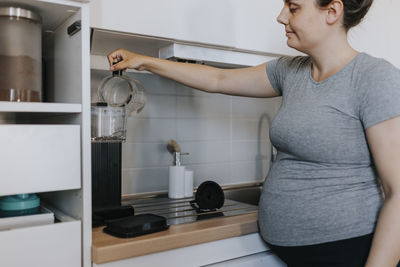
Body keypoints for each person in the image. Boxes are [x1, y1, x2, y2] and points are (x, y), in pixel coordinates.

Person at [107, 0, 400, 266]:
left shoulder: (373, 77)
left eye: (294, 7)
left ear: (332, 12)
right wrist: (143, 61)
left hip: (347, 251)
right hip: (297, 252)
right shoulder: (291, 71)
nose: (280, 16)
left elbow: (398, 192)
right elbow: (218, 79)